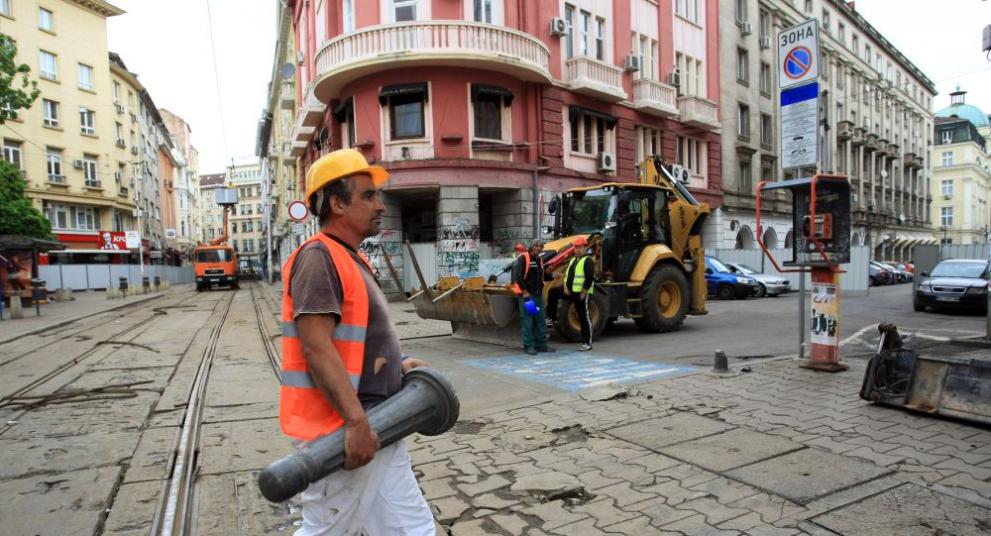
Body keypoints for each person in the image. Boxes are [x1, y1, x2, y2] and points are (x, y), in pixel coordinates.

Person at [280, 148, 434, 535]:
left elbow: (360, 341)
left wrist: (399, 362)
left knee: (412, 529)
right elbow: (317, 347)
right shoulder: (318, 258)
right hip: (340, 429)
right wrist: (355, 423)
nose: (380, 205)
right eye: (368, 196)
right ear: (337, 204)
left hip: (379, 420)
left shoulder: (352, 259)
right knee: (327, 529)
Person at [512, 240, 555, 356]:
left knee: (539, 321)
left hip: (537, 296)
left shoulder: (538, 259)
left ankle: (541, 345)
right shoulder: (524, 258)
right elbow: (519, 277)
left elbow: (540, 277)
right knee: (528, 321)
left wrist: (550, 275)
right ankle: (529, 346)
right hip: (528, 297)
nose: (539, 248)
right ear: (532, 247)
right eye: (537, 246)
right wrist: (525, 292)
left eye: (541, 246)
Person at [563, 236, 595, 351]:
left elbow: (589, 277)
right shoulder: (573, 260)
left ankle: (587, 342)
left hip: (581, 294)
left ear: (585, 248)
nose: (577, 249)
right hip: (573, 292)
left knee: (584, 317)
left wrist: (584, 292)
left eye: (579, 247)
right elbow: (567, 275)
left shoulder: (588, 260)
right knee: (581, 317)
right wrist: (565, 287)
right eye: (575, 247)